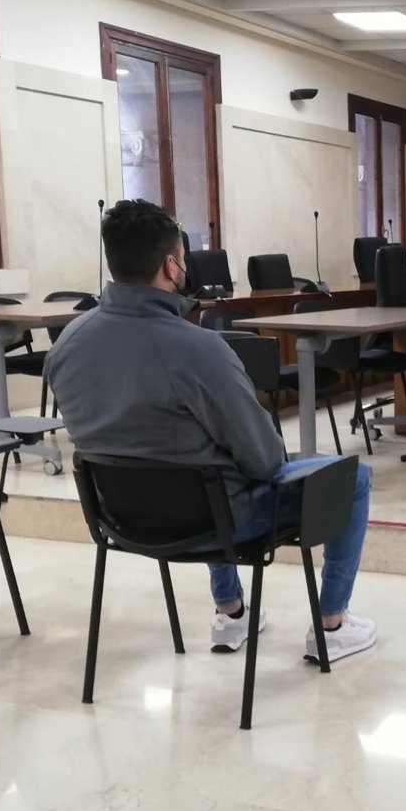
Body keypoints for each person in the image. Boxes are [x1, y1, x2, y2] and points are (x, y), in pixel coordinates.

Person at [46, 199, 377, 661]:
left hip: (119, 521)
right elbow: (265, 460)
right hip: (216, 523)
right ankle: (332, 625)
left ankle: (232, 613)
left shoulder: (66, 346)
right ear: (171, 266)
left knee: (201, 465)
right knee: (352, 477)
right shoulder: (200, 350)